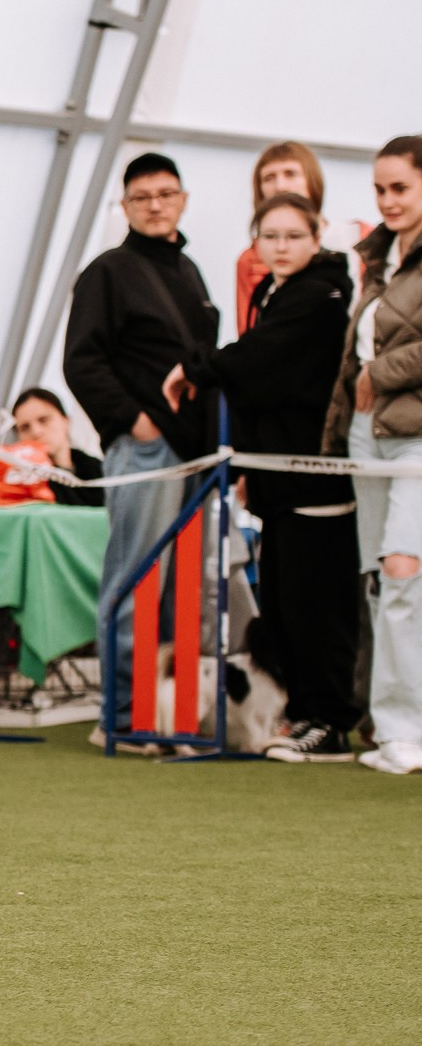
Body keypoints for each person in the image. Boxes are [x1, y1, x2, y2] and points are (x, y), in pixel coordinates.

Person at [164, 193, 358, 760]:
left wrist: (194, 367)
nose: (281, 246)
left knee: (318, 607)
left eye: (293, 235)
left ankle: (331, 721)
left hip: (316, 483)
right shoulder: (278, 293)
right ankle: (307, 715)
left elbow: (258, 363)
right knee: (286, 604)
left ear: (316, 236)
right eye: (270, 236)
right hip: (278, 485)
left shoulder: (322, 295)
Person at [62, 152, 219, 742]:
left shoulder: (191, 273)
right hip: (146, 452)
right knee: (135, 581)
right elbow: (81, 361)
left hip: (196, 454)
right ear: (125, 206)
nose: (155, 204)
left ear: (182, 200)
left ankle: (168, 713)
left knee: (184, 590)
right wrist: (135, 421)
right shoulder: (108, 271)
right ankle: (122, 715)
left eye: (165, 193)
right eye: (142, 196)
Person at [322, 136, 422, 775]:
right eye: (380, 189)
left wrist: (379, 373)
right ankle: (389, 726)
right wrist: (334, 439)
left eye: (401, 188)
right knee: (378, 581)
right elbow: (348, 367)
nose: (388, 200)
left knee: (403, 572)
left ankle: (405, 730)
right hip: (365, 438)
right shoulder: (376, 261)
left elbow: (370, 367)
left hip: (415, 435)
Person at [233, 142, 326, 336]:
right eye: (269, 178)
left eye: (290, 174)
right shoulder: (250, 260)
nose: (280, 186)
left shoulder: (354, 240)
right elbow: (248, 333)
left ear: (312, 180)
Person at [8, 388, 105, 507]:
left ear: (66, 421)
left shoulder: (101, 472)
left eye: (43, 420)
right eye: (25, 428)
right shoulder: (18, 484)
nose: (36, 432)